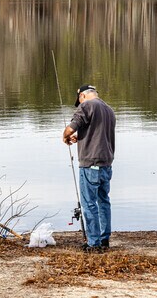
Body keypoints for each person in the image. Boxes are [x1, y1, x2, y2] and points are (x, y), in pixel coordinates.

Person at [62, 84, 116, 252]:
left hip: (90, 164)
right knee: (103, 201)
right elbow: (97, 133)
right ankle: (104, 238)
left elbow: (70, 128)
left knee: (89, 203)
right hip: (106, 163)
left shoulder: (86, 106)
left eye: (79, 100)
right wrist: (81, 137)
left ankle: (93, 243)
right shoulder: (109, 110)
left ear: (82, 96)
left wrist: (65, 136)